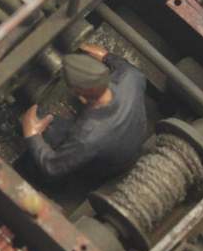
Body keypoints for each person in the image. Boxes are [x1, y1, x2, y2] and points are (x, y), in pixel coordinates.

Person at [21, 44, 149, 184]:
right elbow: (126, 68)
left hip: (111, 165)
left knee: (44, 120)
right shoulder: (131, 78)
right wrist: (106, 56)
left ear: (81, 96)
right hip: (135, 140)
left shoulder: (87, 138)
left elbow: (52, 166)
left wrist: (32, 135)